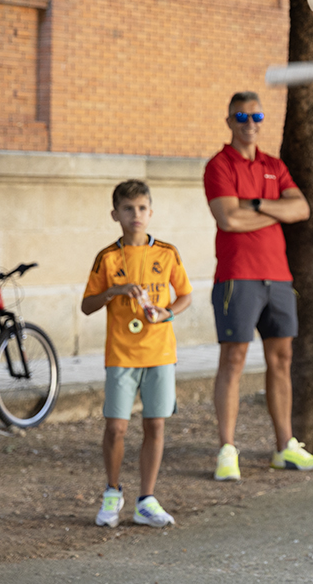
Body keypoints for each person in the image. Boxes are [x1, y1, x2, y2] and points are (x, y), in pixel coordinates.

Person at [203, 91, 313, 480]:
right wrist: (275, 213)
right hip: (237, 275)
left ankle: (284, 447)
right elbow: (228, 221)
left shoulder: (274, 165)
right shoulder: (219, 165)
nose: (250, 122)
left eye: (256, 115)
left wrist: (254, 205)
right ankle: (227, 449)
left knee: (282, 360)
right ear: (229, 121)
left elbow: (302, 209)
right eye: (241, 115)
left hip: (279, 276)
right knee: (234, 360)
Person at [82, 180, 193, 529]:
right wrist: (113, 291)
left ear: (151, 212)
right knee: (116, 427)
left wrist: (167, 313)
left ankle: (146, 499)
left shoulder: (167, 252)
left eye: (142, 208)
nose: (136, 215)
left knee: (155, 424)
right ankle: (112, 491)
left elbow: (185, 295)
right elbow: (86, 305)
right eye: (128, 209)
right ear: (115, 214)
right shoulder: (108, 257)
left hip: (160, 352)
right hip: (121, 354)